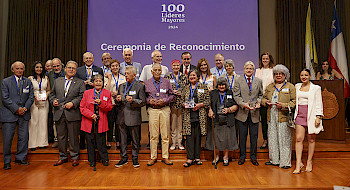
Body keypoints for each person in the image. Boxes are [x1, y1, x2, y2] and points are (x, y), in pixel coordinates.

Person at [49, 61, 85, 167]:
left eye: (73, 68)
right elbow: (52, 94)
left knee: (73, 137)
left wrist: (73, 103)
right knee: (61, 137)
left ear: (76, 70)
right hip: (59, 112)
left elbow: (82, 96)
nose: (71, 70)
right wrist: (53, 101)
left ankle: (74, 157)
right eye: (69, 68)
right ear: (65, 69)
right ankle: (63, 156)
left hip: (72, 113)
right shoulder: (57, 81)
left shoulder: (80, 82)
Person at [0, 61, 34, 170]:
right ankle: (7, 161)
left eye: (21, 69)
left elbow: (31, 97)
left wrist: (25, 108)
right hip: (9, 114)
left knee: (23, 138)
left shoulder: (28, 81)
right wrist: (16, 109)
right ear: (12, 70)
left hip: (24, 114)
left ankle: (20, 158)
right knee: (8, 139)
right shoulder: (5, 82)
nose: (19, 70)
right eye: (17, 68)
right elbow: (5, 99)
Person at [261, 64, 296, 169]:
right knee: (272, 138)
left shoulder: (290, 87)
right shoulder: (270, 86)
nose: (278, 75)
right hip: (271, 115)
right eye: (276, 74)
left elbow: (294, 102)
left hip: (283, 116)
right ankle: (274, 160)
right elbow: (262, 99)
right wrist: (265, 102)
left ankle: (285, 162)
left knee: (284, 139)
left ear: (285, 75)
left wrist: (284, 106)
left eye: (281, 74)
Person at [293, 68, 323, 174]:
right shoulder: (296, 86)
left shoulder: (316, 88)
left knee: (311, 139)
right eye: (302, 75)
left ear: (310, 76)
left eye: (306, 75)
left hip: (312, 116)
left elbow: (319, 102)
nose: (304, 77)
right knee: (299, 139)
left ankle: (309, 162)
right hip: (300, 115)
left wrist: (318, 117)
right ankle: (298, 163)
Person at [115, 66, 146, 168]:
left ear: (134, 75)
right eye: (125, 73)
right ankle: (123, 158)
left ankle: (134, 158)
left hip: (133, 115)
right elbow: (118, 101)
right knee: (122, 140)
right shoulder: (121, 86)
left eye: (128, 74)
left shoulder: (139, 86)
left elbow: (142, 102)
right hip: (121, 116)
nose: (126, 75)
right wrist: (117, 99)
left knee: (135, 139)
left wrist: (133, 101)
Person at [233, 61, 263, 166]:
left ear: (253, 70)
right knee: (242, 136)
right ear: (244, 69)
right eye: (247, 68)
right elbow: (236, 95)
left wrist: (259, 102)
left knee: (254, 136)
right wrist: (243, 104)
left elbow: (261, 94)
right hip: (242, 113)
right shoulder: (238, 80)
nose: (249, 70)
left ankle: (253, 157)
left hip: (254, 113)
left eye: (251, 68)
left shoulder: (258, 81)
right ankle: (242, 157)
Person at [145, 63, 175, 166]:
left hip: (164, 109)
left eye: (159, 70)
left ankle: (165, 157)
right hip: (153, 110)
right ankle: (153, 157)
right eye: (155, 70)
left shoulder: (166, 82)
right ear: (151, 71)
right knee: (153, 135)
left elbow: (172, 96)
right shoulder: (147, 83)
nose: (157, 72)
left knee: (165, 135)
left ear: (161, 71)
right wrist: (149, 101)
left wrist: (165, 100)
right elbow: (144, 97)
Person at [80, 74, 113, 167]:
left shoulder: (107, 93)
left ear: (103, 83)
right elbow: (82, 108)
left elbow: (110, 107)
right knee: (90, 143)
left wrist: (101, 103)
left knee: (101, 142)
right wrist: (91, 115)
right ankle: (92, 161)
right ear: (93, 83)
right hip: (89, 121)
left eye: (100, 81)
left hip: (101, 122)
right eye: (96, 81)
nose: (98, 83)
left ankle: (104, 159)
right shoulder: (87, 93)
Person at [207, 76, 239, 166]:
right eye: (220, 85)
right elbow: (208, 103)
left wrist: (229, 109)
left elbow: (236, 105)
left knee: (227, 139)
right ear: (217, 85)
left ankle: (226, 157)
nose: (221, 86)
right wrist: (210, 110)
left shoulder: (231, 92)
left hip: (228, 120)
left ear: (226, 85)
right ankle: (216, 157)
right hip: (216, 119)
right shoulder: (213, 93)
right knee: (216, 139)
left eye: (223, 85)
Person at [181, 70, 210, 167]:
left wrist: (200, 105)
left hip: (199, 116)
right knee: (189, 138)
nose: (192, 77)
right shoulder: (185, 88)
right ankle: (190, 158)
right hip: (188, 116)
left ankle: (197, 157)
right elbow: (181, 100)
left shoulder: (203, 86)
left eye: (194, 75)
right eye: (190, 75)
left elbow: (208, 100)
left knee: (198, 137)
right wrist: (184, 104)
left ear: (197, 77)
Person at [76, 52, 103, 150]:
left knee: (95, 121)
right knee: (84, 121)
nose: (88, 60)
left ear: (93, 59)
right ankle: (82, 143)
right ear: (83, 60)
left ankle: (95, 143)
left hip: (95, 97)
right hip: (83, 96)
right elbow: (76, 83)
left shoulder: (98, 69)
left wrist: (94, 84)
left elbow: (101, 82)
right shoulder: (78, 70)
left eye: (90, 58)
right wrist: (82, 83)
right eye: (86, 58)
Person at [165, 59, 188, 150]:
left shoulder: (184, 77)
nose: (176, 67)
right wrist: (172, 92)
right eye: (174, 65)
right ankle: (174, 143)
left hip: (181, 103)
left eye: (177, 65)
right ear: (171, 66)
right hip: (172, 103)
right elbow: (165, 90)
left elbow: (187, 89)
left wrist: (181, 93)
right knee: (173, 124)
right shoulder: (168, 77)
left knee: (180, 124)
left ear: (180, 66)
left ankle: (180, 143)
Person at [28, 61, 50, 151]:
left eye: (41, 67)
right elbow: (28, 90)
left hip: (44, 102)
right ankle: (32, 144)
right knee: (33, 122)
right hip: (33, 102)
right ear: (34, 68)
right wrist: (34, 96)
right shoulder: (30, 78)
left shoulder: (46, 78)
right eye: (37, 67)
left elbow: (48, 90)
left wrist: (46, 96)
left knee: (43, 122)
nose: (39, 69)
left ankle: (42, 143)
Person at [104, 59, 126, 149]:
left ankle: (118, 141)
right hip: (110, 103)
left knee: (119, 123)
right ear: (110, 67)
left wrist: (118, 94)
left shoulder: (123, 77)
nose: (115, 67)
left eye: (116, 65)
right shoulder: (107, 77)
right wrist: (109, 79)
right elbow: (106, 90)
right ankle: (109, 141)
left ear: (119, 67)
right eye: (113, 66)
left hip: (120, 103)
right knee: (110, 123)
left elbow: (125, 91)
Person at [255, 52, 275, 149]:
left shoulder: (274, 70)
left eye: (267, 59)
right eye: (263, 59)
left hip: (271, 99)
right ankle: (265, 140)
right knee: (263, 121)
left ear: (270, 60)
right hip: (261, 99)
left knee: (271, 121)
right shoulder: (258, 70)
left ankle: (273, 141)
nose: (265, 60)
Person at [47, 58, 65, 148]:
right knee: (55, 121)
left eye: (58, 66)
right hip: (54, 101)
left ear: (61, 65)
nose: (56, 68)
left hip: (66, 100)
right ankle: (57, 139)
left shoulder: (66, 72)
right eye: (54, 66)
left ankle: (66, 140)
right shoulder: (49, 74)